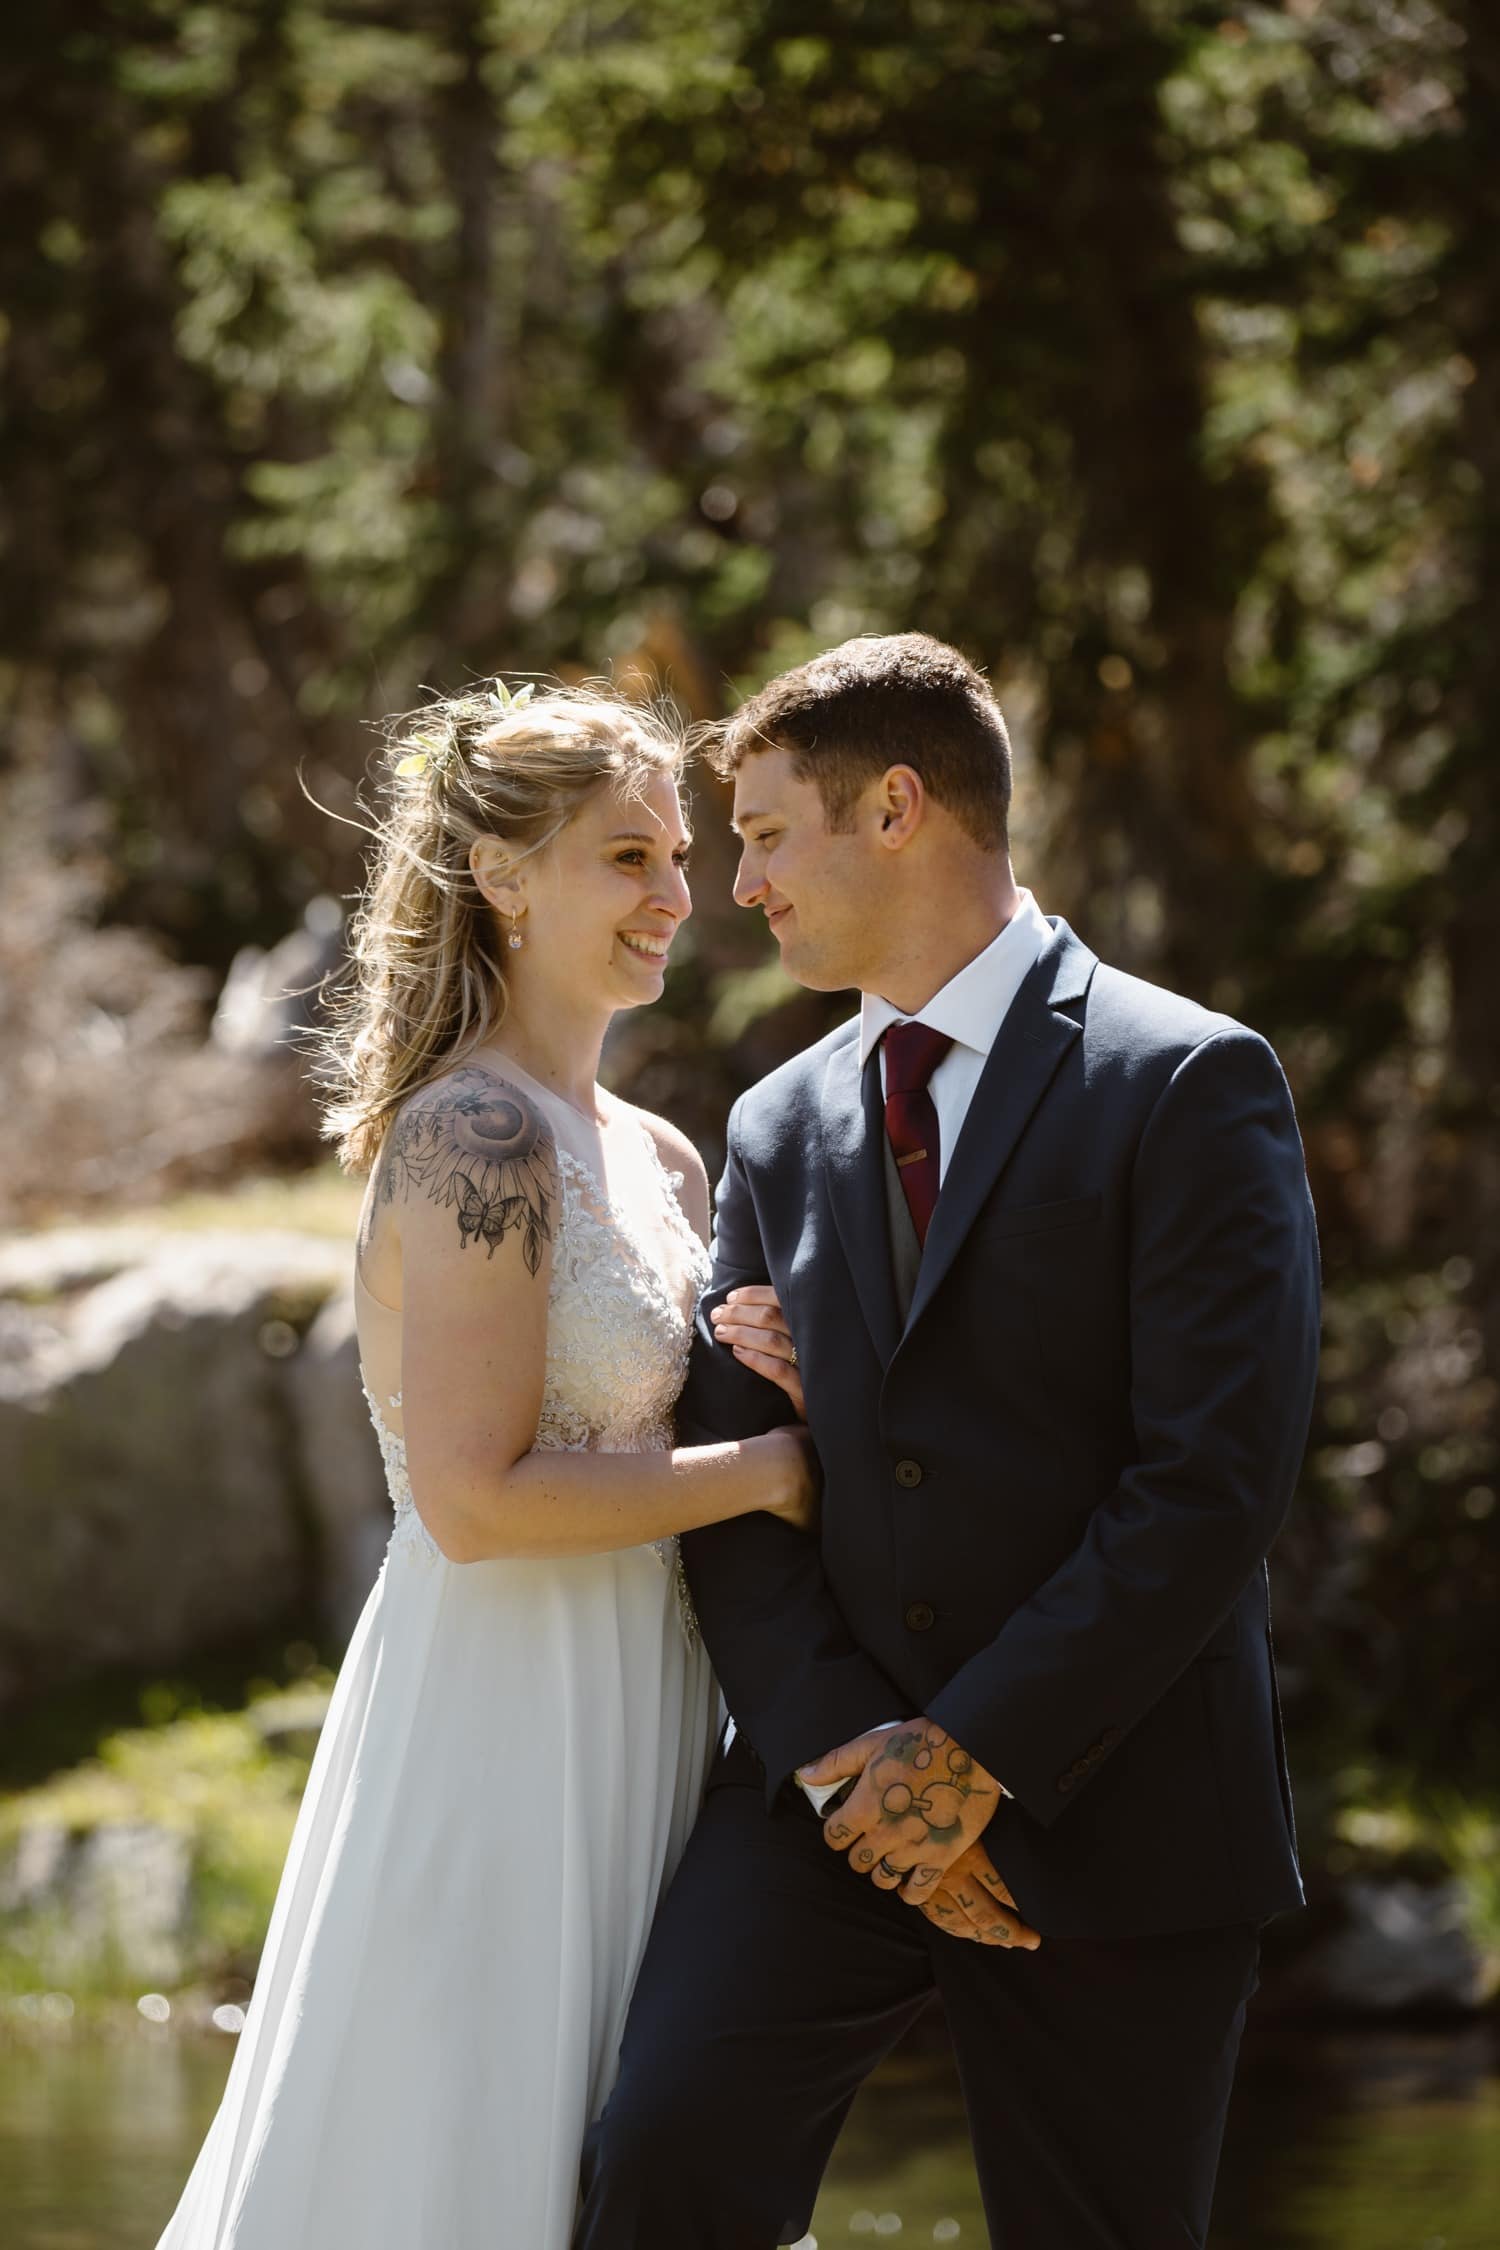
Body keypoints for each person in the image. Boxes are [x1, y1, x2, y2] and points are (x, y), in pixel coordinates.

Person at [575, 633, 1322, 2250]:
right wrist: (859, 1762)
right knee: (663, 2163)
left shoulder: (1187, 1079)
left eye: (768, 833)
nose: (744, 884)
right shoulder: (776, 1122)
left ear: (897, 807)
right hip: (828, 1792)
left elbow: (1211, 1482)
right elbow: (739, 1475)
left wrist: (973, 1754)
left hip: (1113, 1798)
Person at [153, 684, 814, 2250]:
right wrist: (780, 1468)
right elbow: (478, 1497)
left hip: (656, 1699)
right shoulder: (472, 1138)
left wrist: (783, 1365)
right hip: (506, 1714)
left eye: (678, 856)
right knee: (467, 2151)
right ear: (504, 876)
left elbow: (655, 1414)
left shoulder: (659, 1154)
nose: (677, 896)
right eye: (627, 858)